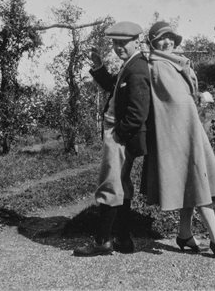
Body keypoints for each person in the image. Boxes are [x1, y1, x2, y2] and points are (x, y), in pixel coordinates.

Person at [142, 21, 215, 260]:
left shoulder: (175, 62)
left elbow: (185, 99)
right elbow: (173, 103)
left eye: (170, 37)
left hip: (187, 131)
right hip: (175, 135)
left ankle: (184, 233)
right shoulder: (158, 66)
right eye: (160, 39)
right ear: (153, 43)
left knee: (192, 179)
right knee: (197, 180)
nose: (167, 42)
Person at [74, 21, 151, 256]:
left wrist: (119, 135)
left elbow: (138, 113)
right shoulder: (130, 64)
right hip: (120, 134)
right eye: (115, 43)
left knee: (110, 184)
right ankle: (123, 239)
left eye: (123, 43)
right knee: (122, 184)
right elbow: (114, 87)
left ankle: (102, 241)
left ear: (136, 41)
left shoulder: (137, 68)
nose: (119, 47)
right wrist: (98, 68)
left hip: (120, 135)